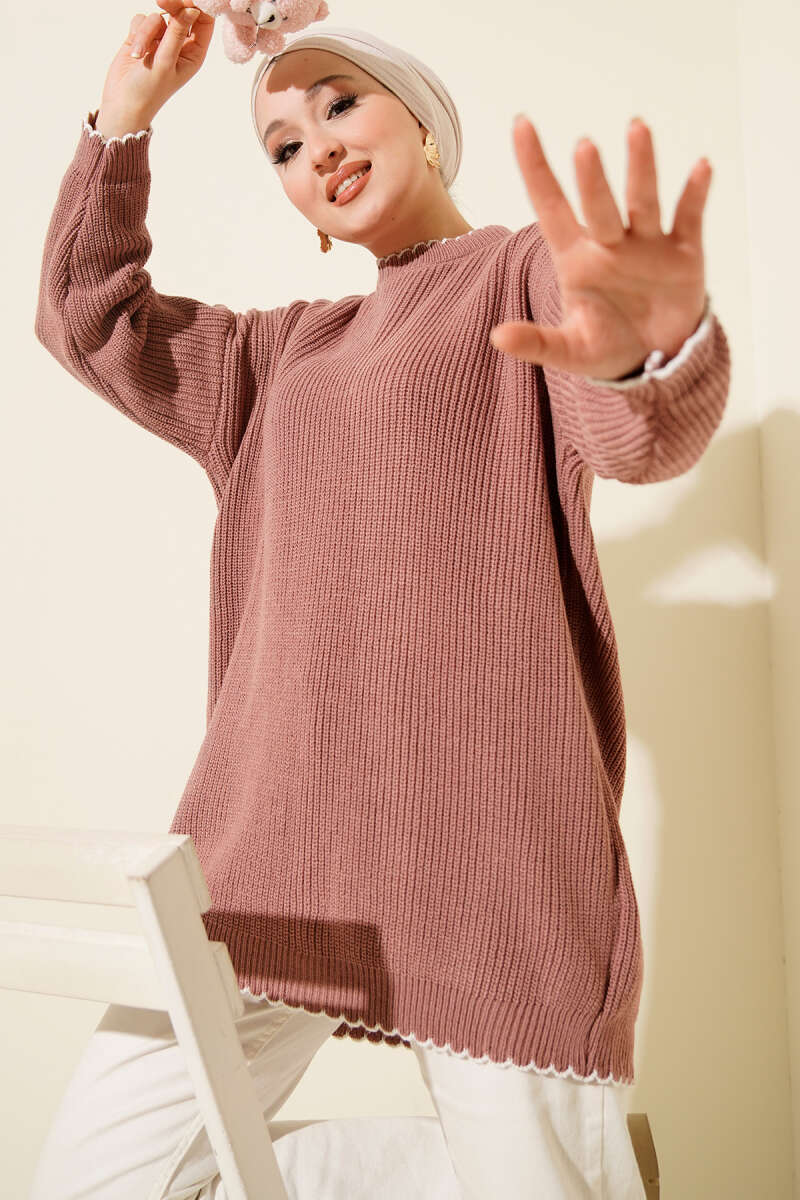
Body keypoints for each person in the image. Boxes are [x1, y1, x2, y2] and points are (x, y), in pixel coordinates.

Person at [31, 3, 731, 1196]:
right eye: (283, 147)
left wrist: (645, 352)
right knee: (92, 1182)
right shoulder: (268, 360)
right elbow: (87, 320)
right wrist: (123, 121)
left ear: (423, 125)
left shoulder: (521, 270)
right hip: (266, 875)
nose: (317, 148)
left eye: (340, 105)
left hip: (488, 879)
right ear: (298, 211)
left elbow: (637, 437)